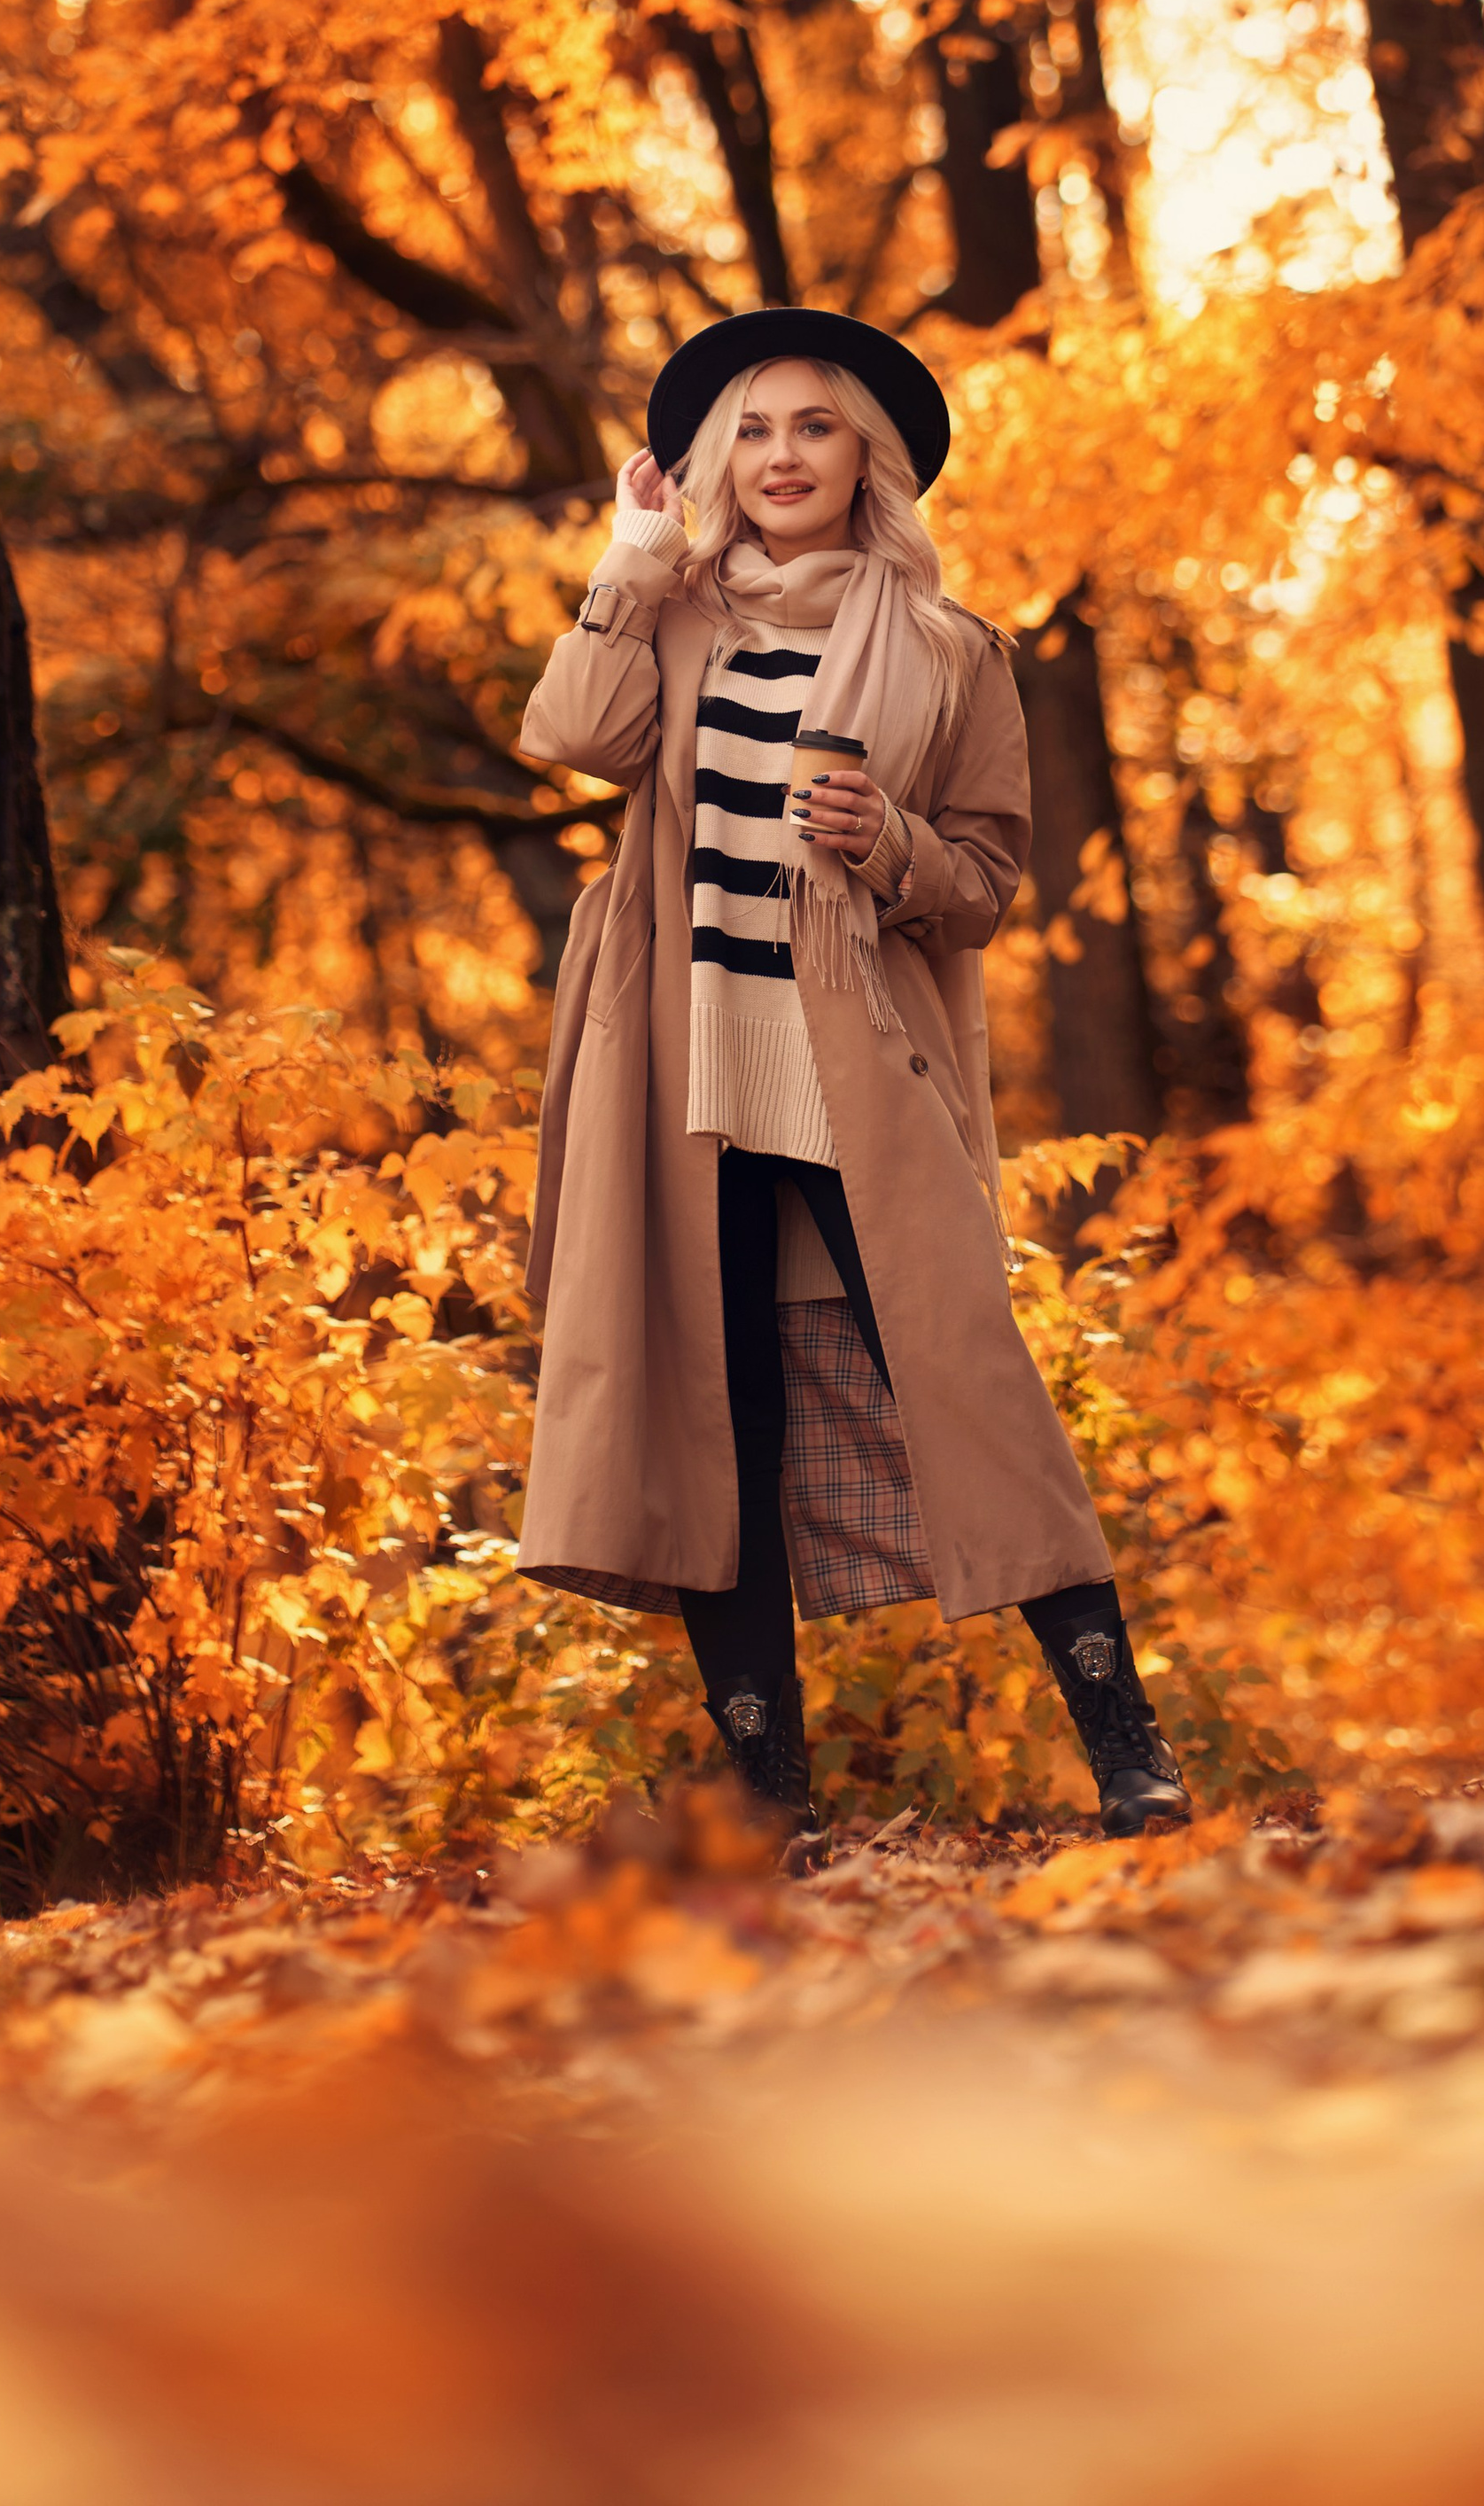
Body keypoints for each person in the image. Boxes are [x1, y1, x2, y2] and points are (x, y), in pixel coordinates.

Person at [514, 307, 1189, 1840]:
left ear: (863, 456)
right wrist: (629, 555)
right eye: (750, 431)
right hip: (690, 1086)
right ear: (713, 464)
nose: (779, 458)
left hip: (862, 1081)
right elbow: (570, 732)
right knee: (719, 1426)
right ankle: (773, 1808)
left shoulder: (951, 654)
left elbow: (987, 886)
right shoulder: (671, 618)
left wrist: (889, 847)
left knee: (971, 1387)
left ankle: (1128, 1744)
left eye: (812, 428)